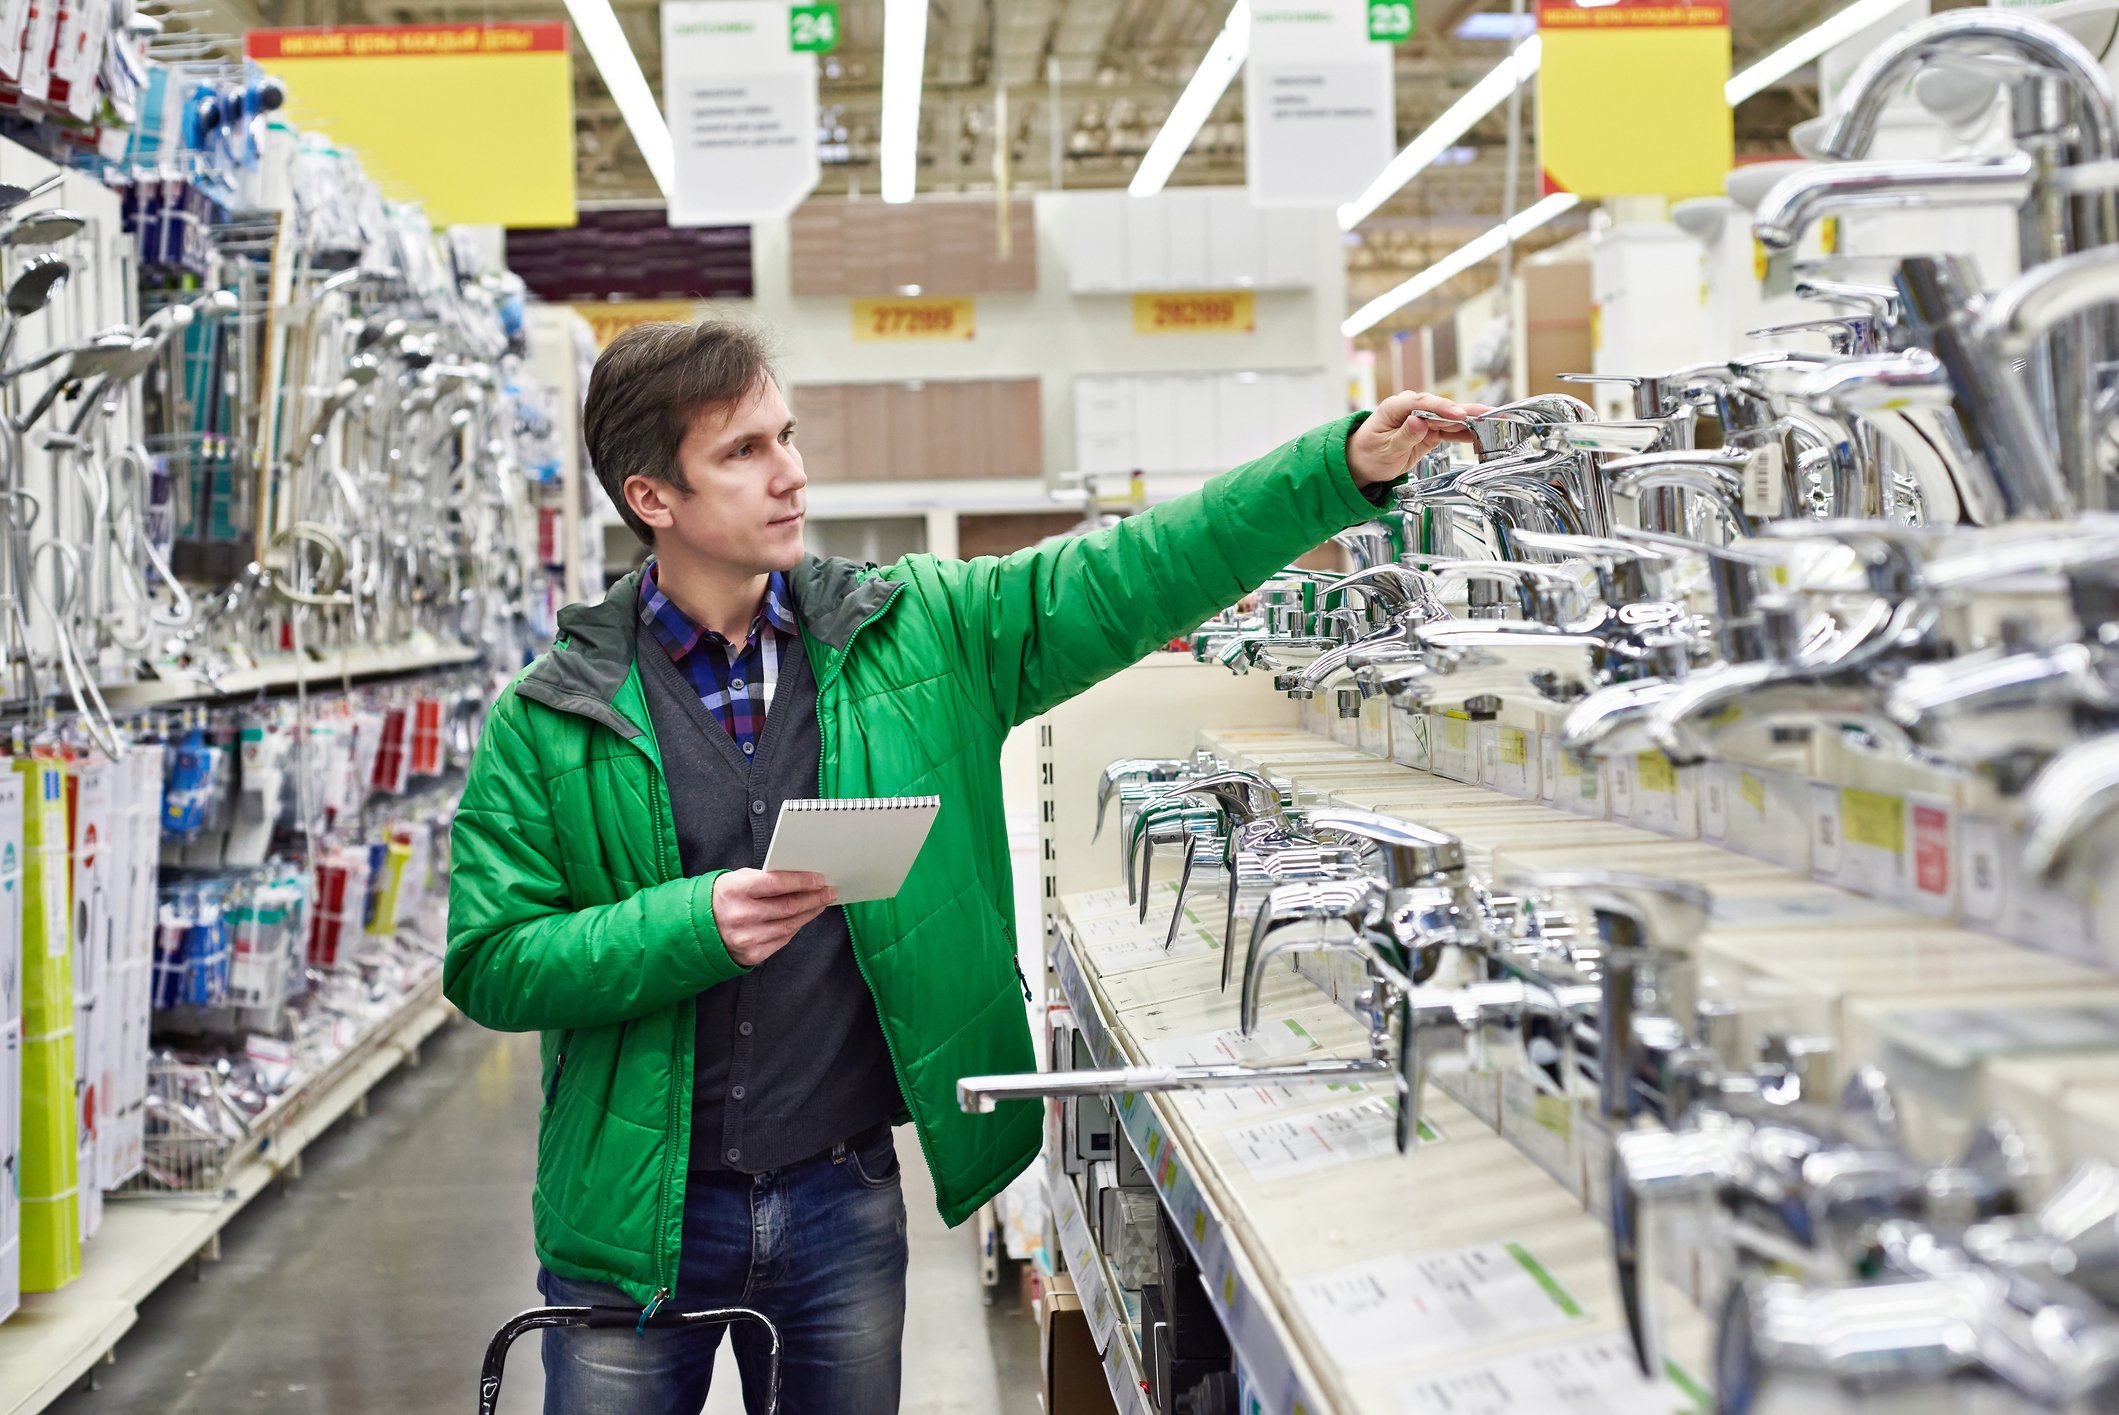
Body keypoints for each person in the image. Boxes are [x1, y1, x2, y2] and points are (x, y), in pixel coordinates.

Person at [444, 319, 1482, 1414]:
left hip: (838, 1195)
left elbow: (1139, 567)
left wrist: (1336, 467)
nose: (790, 471)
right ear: (652, 497)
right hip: (629, 1210)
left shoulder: (923, 632)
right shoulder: (547, 714)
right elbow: (491, 957)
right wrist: (691, 924)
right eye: (742, 450)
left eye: (785, 435)